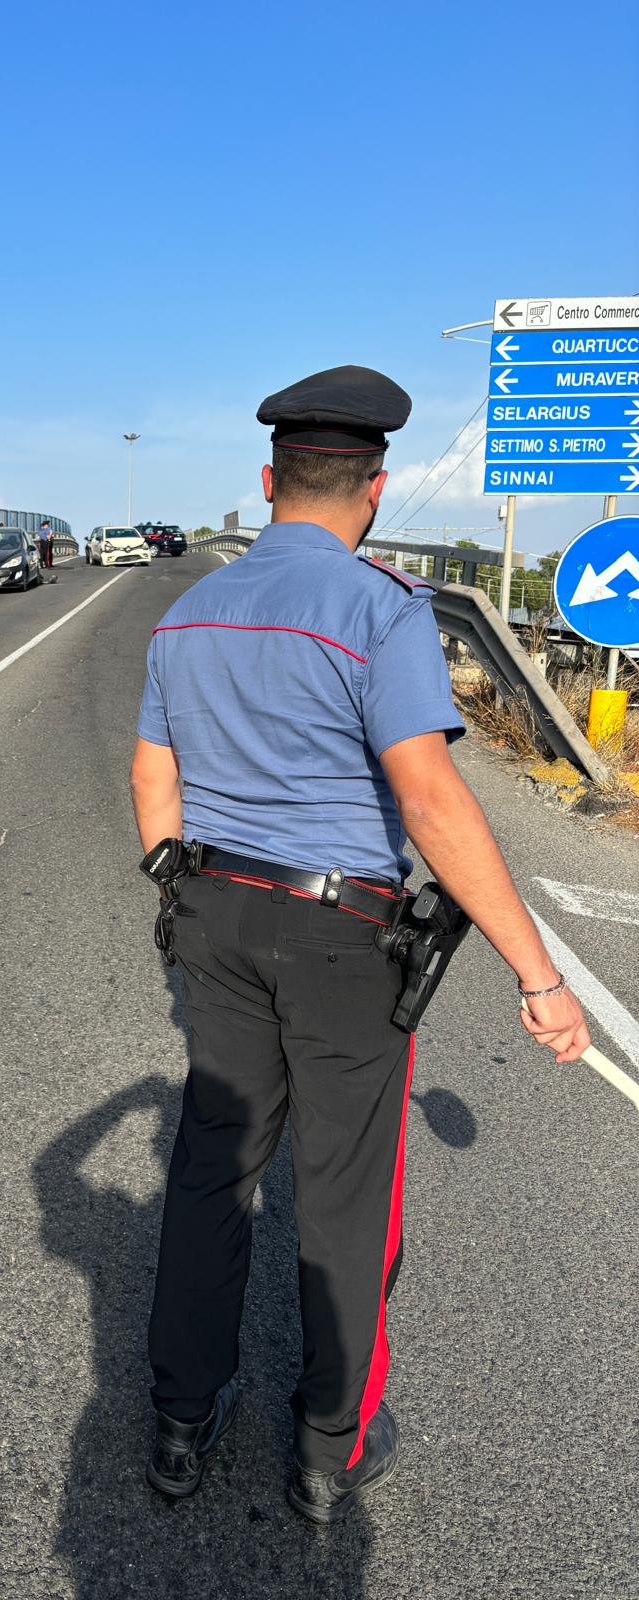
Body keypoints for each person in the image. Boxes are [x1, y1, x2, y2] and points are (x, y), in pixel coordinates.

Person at [129, 364, 589, 1524]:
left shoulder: (185, 614)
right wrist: (540, 974)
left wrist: (174, 885)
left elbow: (153, 777)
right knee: (343, 1191)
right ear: (374, 490)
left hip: (214, 913)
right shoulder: (380, 610)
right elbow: (429, 799)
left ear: (268, 481)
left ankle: (182, 1422)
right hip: (340, 933)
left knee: (210, 1174)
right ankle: (329, 1448)